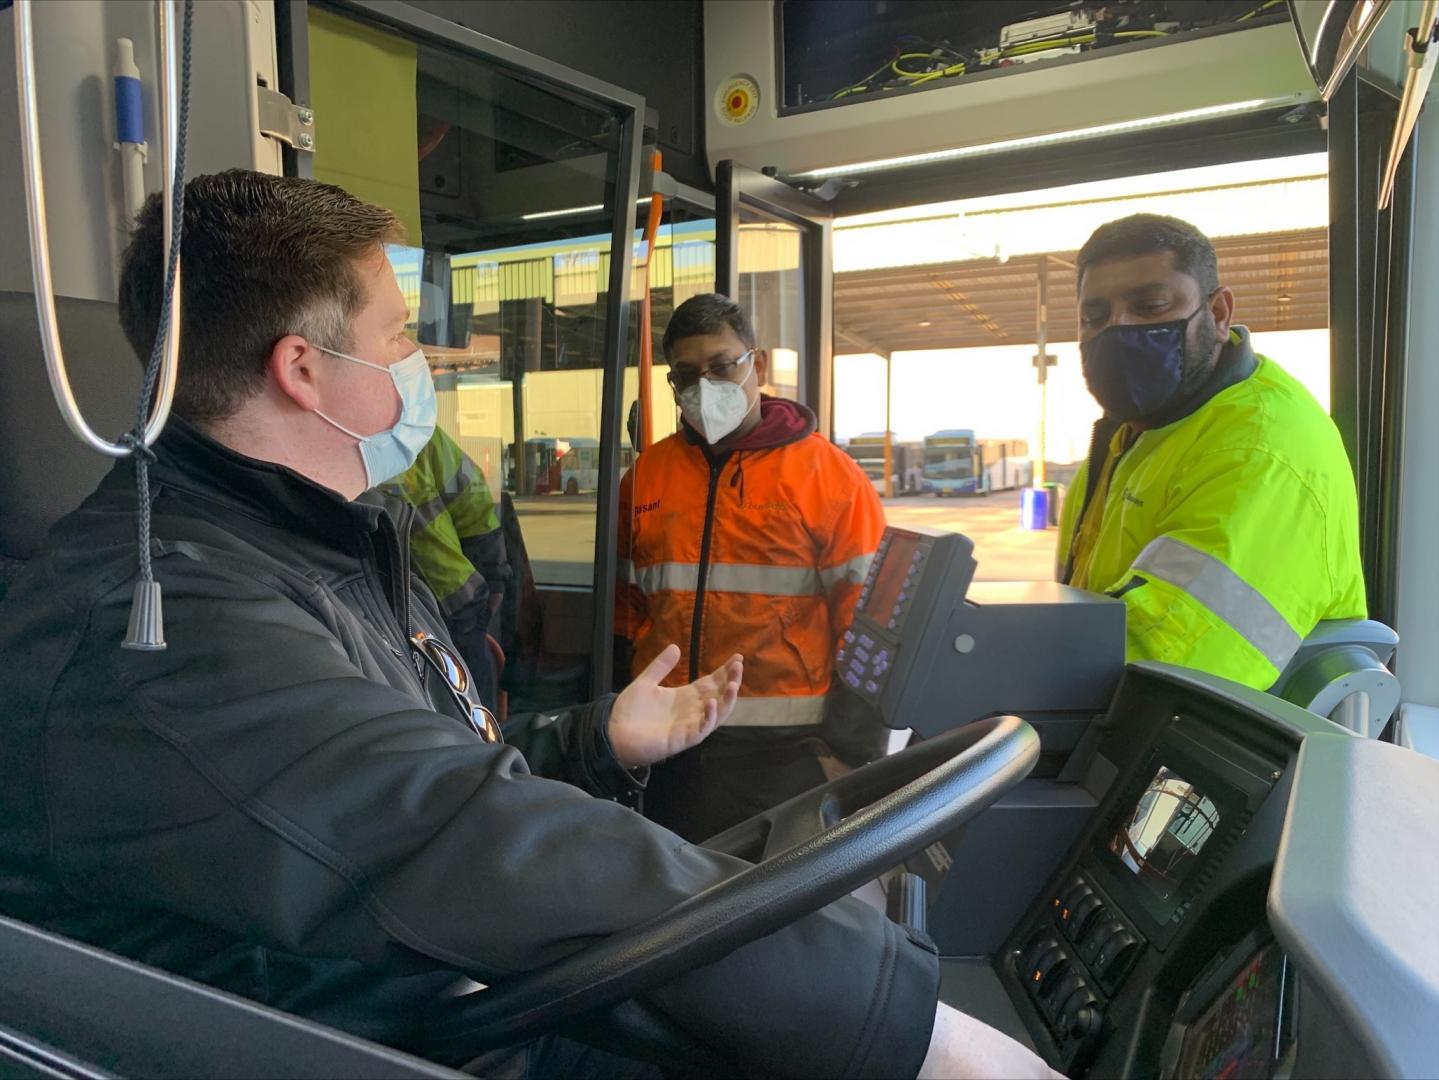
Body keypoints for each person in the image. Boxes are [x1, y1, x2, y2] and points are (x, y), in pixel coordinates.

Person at [0, 171, 1057, 1080]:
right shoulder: (162, 626)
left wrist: (596, 741)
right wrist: (916, 1034)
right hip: (404, 1036)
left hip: (453, 997)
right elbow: (451, 826)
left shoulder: (314, 543)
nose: (421, 363)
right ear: (303, 371)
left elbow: (387, 769)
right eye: (399, 335)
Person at [616, 294, 889, 843]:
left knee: (774, 919)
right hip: (669, 747)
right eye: (687, 375)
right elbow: (627, 610)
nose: (705, 386)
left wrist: (852, 757)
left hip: (785, 758)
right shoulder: (648, 475)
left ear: (757, 365)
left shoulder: (828, 476)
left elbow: (871, 625)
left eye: (722, 367)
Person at [1057, 213, 1366, 689]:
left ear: (1218, 314)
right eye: (1094, 318)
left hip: (1208, 744)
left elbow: (1168, 660)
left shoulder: (1259, 451)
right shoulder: (1136, 435)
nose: (1117, 330)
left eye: (1151, 305)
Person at [386, 425, 511, 712]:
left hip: (455, 610)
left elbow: (474, 507)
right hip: (387, 619)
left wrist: (493, 583)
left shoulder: (416, 433)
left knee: (472, 713)